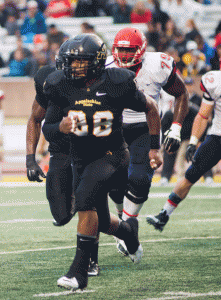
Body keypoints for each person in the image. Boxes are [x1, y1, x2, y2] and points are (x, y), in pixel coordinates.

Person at [41, 33, 162, 291]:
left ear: (95, 62)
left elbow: (151, 108)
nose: (71, 67)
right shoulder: (61, 85)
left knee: (84, 197)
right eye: (69, 62)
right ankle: (128, 232)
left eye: (78, 62)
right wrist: (61, 127)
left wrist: (154, 148)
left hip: (113, 156)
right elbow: (48, 128)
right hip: (80, 157)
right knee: (102, 220)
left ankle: (79, 273)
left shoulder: (118, 82)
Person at [105, 27, 188, 255]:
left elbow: (181, 93)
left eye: (129, 50)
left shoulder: (157, 65)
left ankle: (129, 224)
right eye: (120, 50)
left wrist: (176, 128)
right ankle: (124, 220)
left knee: (140, 178)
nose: (123, 55)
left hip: (146, 126)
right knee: (113, 184)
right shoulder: (105, 67)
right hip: (115, 127)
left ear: (141, 50)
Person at [26, 39, 101, 276]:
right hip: (60, 150)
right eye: (71, 62)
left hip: (90, 150)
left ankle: (90, 258)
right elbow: (35, 118)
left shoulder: (101, 82)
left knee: (88, 202)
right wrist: (30, 158)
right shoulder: (51, 82)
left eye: (81, 62)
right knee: (60, 213)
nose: (76, 68)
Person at [146, 70, 221, 232]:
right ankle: (164, 214)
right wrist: (194, 142)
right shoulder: (215, 80)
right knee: (191, 174)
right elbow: (203, 115)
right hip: (217, 135)